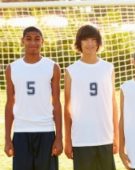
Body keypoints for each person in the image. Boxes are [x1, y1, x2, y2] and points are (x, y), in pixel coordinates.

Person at [4, 26, 62, 170]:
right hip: (21, 132)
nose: (33, 43)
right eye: (28, 39)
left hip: (46, 131)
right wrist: (7, 139)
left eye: (37, 39)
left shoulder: (53, 67)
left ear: (43, 42)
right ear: (22, 41)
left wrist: (59, 137)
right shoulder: (12, 68)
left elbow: (57, 104)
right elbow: (9, 104)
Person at [64, 25, 118, 170]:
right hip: (82, 138)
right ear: (79, 43)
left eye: (93, 39)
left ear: (99, 42)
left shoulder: (108, 68)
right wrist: (68, 139)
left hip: (105, 136)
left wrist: (116, 135)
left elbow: (113, 103)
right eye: (85, 39)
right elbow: (67, 108)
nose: (90, 44)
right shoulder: (71, 71)